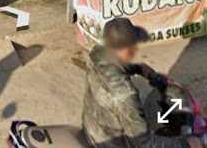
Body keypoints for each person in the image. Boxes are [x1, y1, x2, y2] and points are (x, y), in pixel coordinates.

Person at [82, 18, 204, 148]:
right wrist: (186, 144)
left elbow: (111, 65)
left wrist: (139, 68)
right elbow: (144, 144)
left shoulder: (97, 52)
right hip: (113, 144)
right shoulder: (125, 96)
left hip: (94, 127)